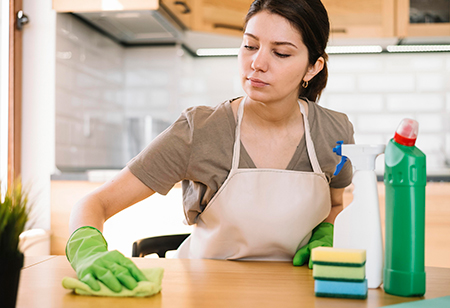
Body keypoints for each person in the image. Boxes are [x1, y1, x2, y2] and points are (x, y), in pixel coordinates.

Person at [65, 0, 354, 293]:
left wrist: (326, 232)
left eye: (280, 53)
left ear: (312, 67)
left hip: (298, 294)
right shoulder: (199, 130)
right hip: (208, 293)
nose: (257, 63)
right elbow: (93, 204)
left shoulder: (334, 132)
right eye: (250, 46)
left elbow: (335, 203)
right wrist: (88, 252)